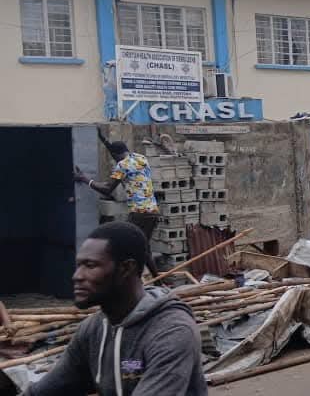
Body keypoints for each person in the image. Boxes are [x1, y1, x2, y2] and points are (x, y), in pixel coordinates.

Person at [24, 221, 206, 395]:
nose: (77, 276)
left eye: (90, 265)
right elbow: (46, 389)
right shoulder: (93, 330)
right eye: (78, 266)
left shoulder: (172, 332)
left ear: (126, 268)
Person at [74, 141, 160, 278]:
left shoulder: (122, 165)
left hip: (139, 213)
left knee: (126, 244)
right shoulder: (141, 158)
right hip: (152, 211)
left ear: (114, 154)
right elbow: (112, 183)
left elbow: (108, 189)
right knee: (144, 248)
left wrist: (85, 180)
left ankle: (129, 280)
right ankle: (158, 281)